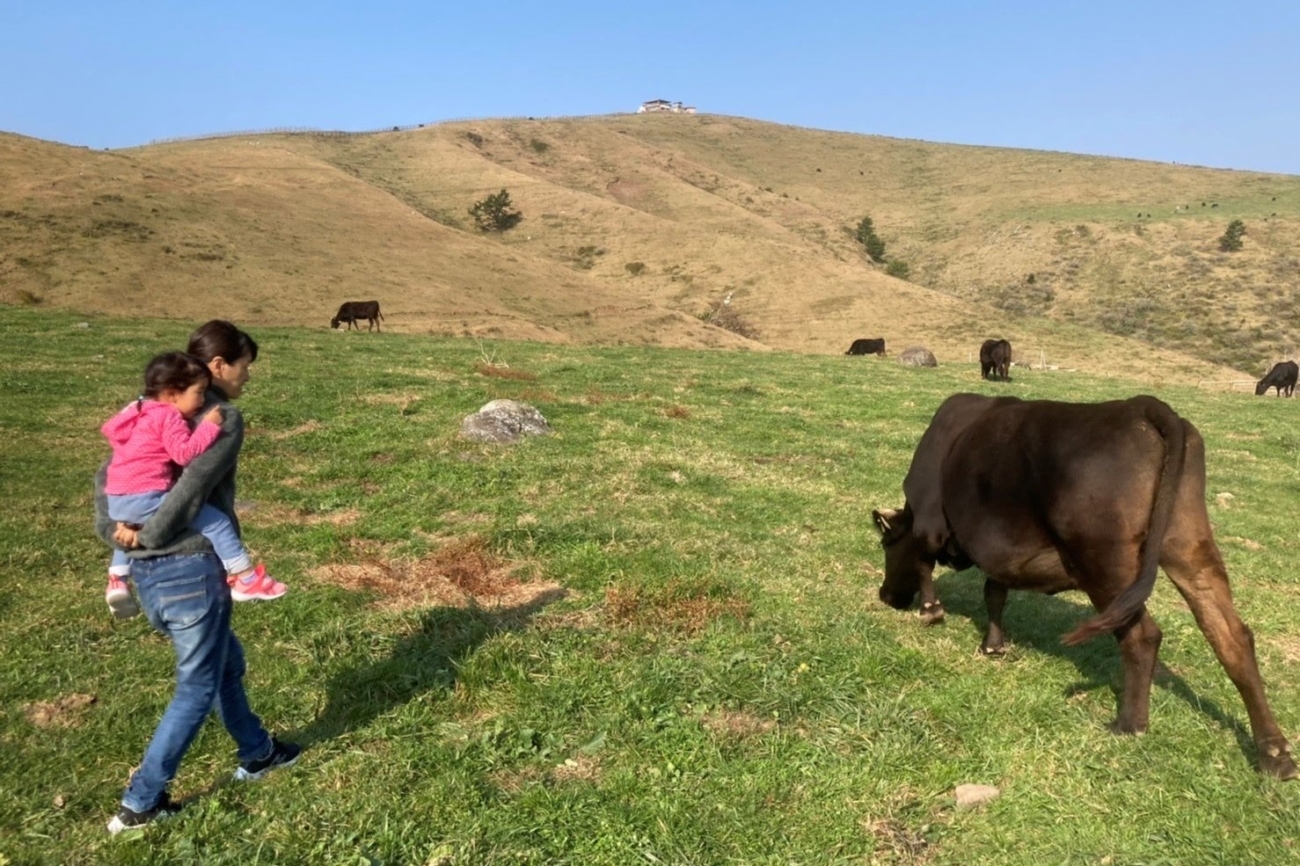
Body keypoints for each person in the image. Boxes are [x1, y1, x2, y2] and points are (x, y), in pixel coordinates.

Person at [95, 321, 300, 834]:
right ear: (218, 366)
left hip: (150, 573)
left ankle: (258, 752)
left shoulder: (151, 408)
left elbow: (108, 475)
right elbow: (192, 488)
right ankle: (141, 802)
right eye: (244, 367)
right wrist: (151, 535)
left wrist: (115, 532)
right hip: (186, 566)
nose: (247, 378)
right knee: (197, 685)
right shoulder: (219, 416)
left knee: (227, 662)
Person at [102, 352, 287, 618]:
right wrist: (209, 427)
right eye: (198, 393)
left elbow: (114, 436)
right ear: (171, 393)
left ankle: (117, 578)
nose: (201, 401)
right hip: (147, 493)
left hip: (118, 496)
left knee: (128, 530)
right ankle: (244, 578)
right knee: (217, 523)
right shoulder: (168, 416)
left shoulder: (137, 411)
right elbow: (183, 453)